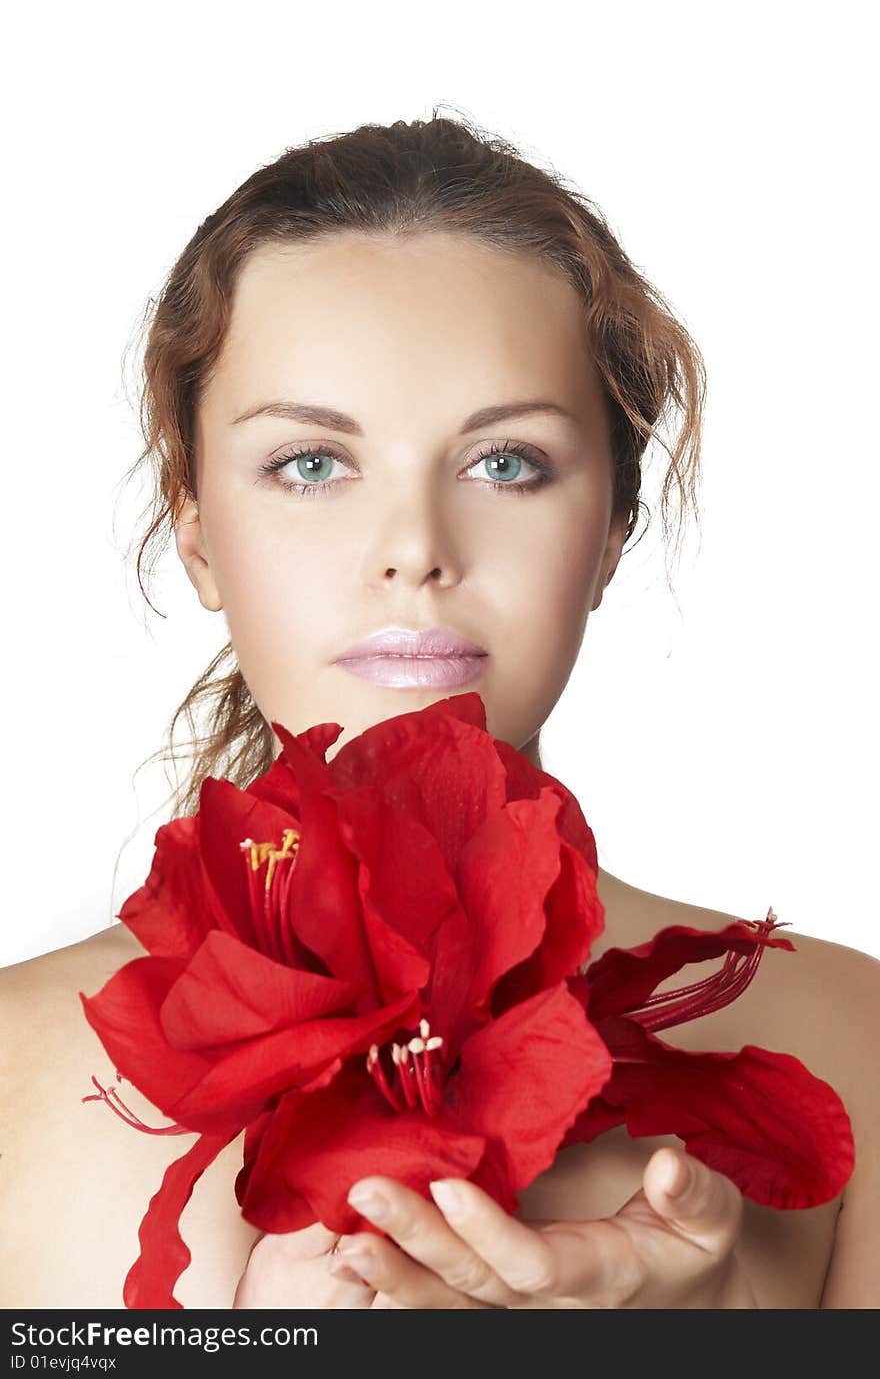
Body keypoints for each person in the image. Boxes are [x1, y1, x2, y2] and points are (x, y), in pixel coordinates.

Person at [1, 111, 877, 1310]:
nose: (414, 550)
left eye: (505, 462)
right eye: (310, 463)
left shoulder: (857, 1037)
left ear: (613, 528)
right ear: (195, 527)